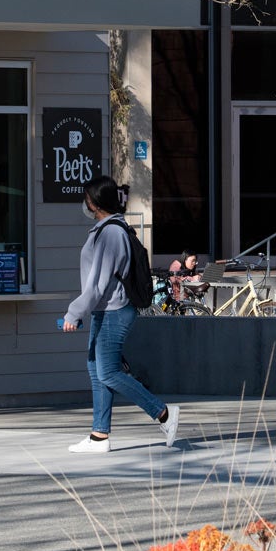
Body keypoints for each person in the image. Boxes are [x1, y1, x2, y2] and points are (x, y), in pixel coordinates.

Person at [61, 176, 179, 453]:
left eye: (86, 198)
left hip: (114, 311)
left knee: (109, 372)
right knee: (97, 371)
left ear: (94, 202)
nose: (84, 203)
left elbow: (97, 283)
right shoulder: (106, 229)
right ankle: (99, 436)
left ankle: (163, 413)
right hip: (105, 310)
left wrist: (74, 312)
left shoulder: (111, 233)